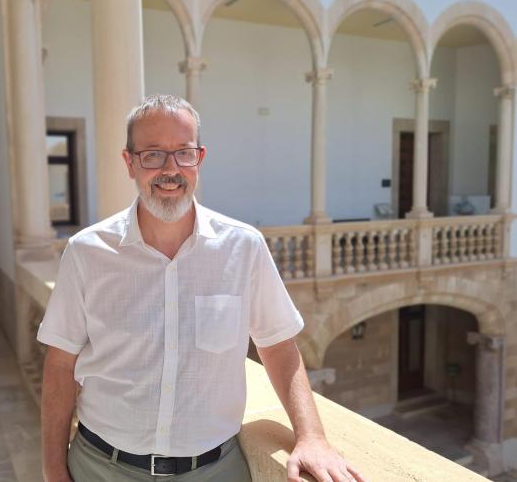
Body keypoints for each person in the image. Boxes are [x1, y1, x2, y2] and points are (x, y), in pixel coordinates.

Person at [38, 94, 365, 482]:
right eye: (153, 155)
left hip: (215, 472)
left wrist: (312, 436)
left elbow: (278, 345)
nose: (170, 169)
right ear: (129, 163)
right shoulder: (87, 252)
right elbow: (60, 365)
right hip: (101, 469)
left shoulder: (243, 247)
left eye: (184, 153)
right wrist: (53, 468)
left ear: (200, 159)